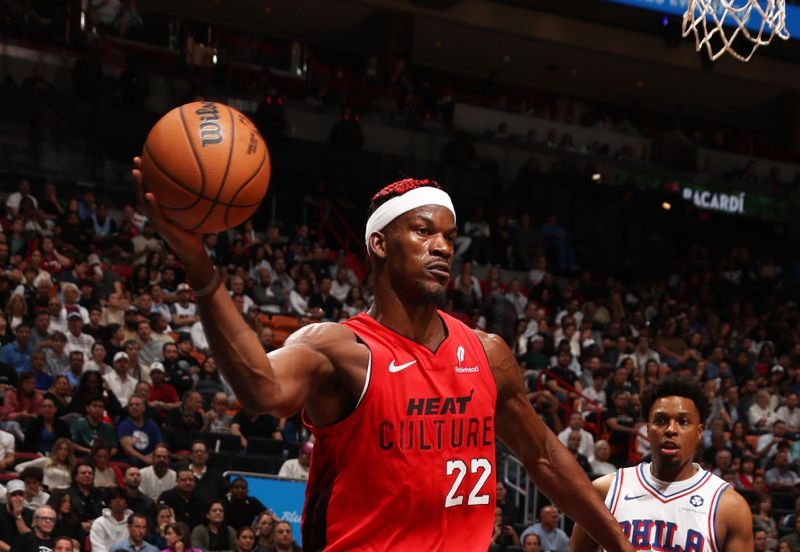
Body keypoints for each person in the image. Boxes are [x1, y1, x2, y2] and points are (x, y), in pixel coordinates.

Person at [133, 171, 633, 552]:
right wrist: (200, 268)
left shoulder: (488, 353)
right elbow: (260, 389)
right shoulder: (339, 349)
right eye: (422, 231)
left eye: (449, 237)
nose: (441, 246)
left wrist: (622, 547)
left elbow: (543, 455)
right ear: (378, 243)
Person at [570, 374, 754, 551]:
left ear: (699, 432)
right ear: (648, 430)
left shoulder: (730, 506)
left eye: (683, 421)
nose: (670, 430)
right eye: (660, 421)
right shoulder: (606, 490)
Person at [90, 487, 133, 552]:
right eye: (114, 498)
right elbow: (97, 548)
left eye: (121, 498)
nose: (118, 501)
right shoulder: (99, 523)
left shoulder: (133, 523)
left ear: (126, 503)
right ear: (109, 503)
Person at [0, 479, 33, 551]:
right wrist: (12, 550)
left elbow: (29, 539)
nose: (18, 498)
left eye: (20, 494)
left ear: (24, 496)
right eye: (14, 495)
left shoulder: (30, 513)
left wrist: (18, 515)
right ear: (7, 496)